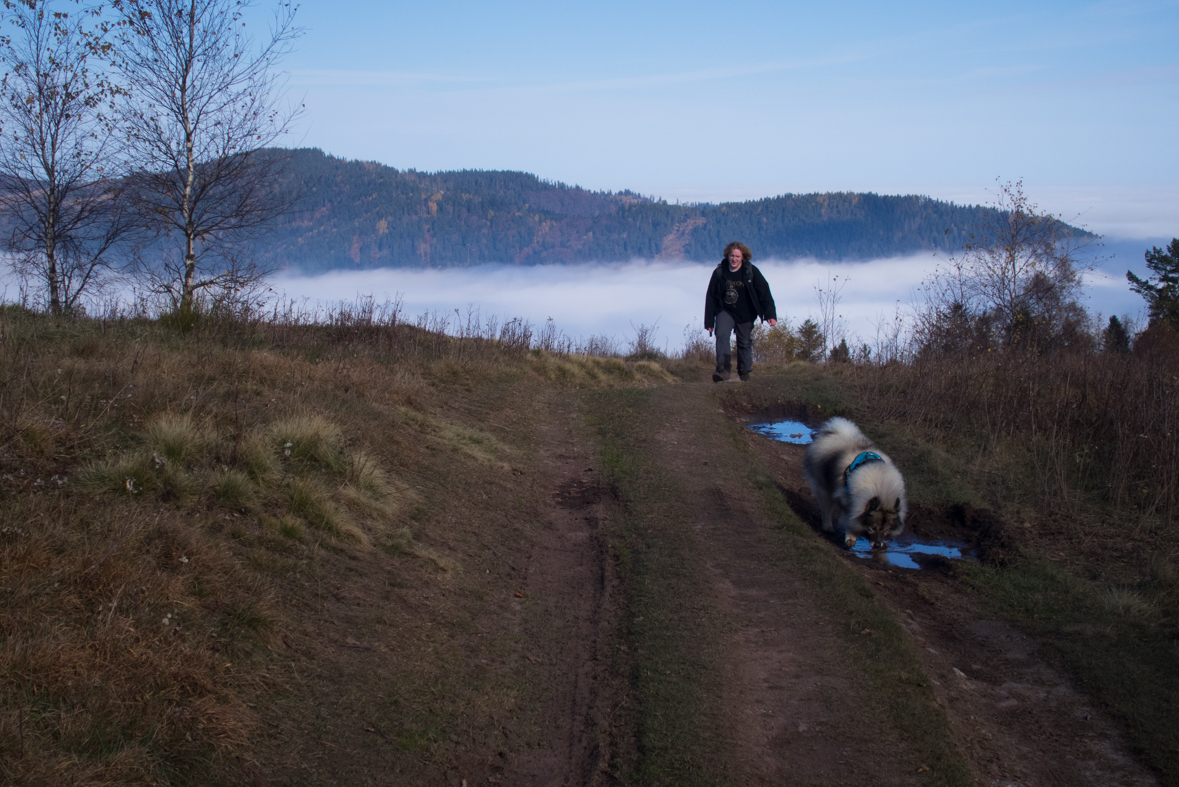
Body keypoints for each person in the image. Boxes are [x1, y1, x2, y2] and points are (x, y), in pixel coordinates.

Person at [704, 241, 777, 382]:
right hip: (725, 310)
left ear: (743, 257)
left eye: (737, 256)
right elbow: (711, 297)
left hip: (747, 312)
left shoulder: (751, 271)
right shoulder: (719, 272)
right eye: (732, 255)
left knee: (744, 342)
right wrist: (709, 321)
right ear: (727, 256)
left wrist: (770, 315)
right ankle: (723, 370)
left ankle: (744, 372)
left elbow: (764, 292)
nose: (734, 259)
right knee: (722, 335)